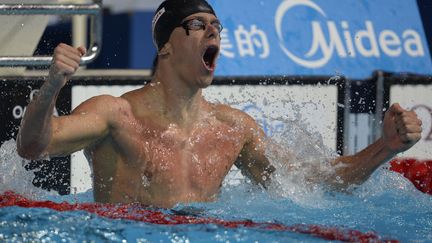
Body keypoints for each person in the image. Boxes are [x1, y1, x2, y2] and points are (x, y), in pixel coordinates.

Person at [17, 0, 422, 208]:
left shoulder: (233, 128)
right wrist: (52, 84)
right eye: (196, 24)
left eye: (216, 25)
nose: (212, 30)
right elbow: (34, 147)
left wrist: (385, 146)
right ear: (166, 48)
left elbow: (314, 185)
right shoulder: (114, 115)